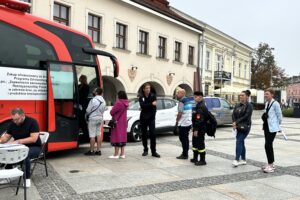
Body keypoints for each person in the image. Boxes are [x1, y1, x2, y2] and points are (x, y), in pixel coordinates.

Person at [0, 108, 41, 187]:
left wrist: (18, 141)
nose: (15, 121)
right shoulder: (13, 124)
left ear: (22, 116)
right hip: (19, 147)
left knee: (24, 154)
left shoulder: (32, 122)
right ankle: (9, 176)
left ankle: (27, 178)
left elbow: (34, 139)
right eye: (13, 119)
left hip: (34, 147)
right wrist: (1, 140)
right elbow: (6, 137)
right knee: (7, 152)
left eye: (16, 119)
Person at [261, 88, 282, 173]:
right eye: (265, 94)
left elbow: (279, 116)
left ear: (272, 94)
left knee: (268, 145)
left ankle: (271, 165)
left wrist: (278, 126)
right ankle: (270, 164)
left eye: (267, 94)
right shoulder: (267, 103)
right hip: (266, 126)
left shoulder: (275, 103)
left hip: (272, 128)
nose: (265, 95)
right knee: (268, 145)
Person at [232, 90, 253, 167]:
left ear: (247, 96)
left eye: (242, 95)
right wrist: (234, 122)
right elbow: (233, 114)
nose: (241, 96)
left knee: (239, 141)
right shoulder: (237, 105)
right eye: (240, 95)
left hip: (245, 126)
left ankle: (237, 159)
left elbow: (246, 116)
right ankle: (243, 159)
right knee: (241, 142)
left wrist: (236, 122)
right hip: (237, 126)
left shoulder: (249, 106)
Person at [139, 83, 160, 158]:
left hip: (151, 118)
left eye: (149, 88)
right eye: (146, 88)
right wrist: (151, 104)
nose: (148, 89)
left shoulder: (153, 96)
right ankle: (145, 150)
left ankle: (154, 151)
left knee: (153, 134)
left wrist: (146, 106)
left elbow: (154, 108)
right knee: (144, 135)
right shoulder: (141, 97)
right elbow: (142, 106)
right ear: (143, 89)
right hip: (143, 118)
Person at [84, 87, 106, 156]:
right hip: (100, 118)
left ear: (96, 92)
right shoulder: (103, 101)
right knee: (98, 134)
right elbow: (103, 110)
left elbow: (88, 110)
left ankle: (91, 150)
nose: (93, 91)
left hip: (93, 119)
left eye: (94, 91)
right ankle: (98, 150)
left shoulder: (93, 100)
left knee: (92, 135)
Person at [109, 91, 129, 159]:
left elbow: (112, 112)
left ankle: (116, 154)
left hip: (117, 122)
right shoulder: (126, 103)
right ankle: (122, 154)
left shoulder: (119, 103)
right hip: (123, 122)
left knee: (116, 137)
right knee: (122, 137)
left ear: (119, 95)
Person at [191, 91, 209, 165]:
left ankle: (202, 160)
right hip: (197, 128)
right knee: (195, 144)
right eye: (194, 96)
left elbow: (199, 120)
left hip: (200, 129)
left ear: (200, 97)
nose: (195, 98)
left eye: (196, 96)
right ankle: (195, 158)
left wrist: (196, 130)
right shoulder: (198, 105)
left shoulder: (201, 106)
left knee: (200, 144)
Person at [176, 88, 193, 159]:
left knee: (183, 139)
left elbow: (180, 113)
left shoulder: (181, 101)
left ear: (182, 93)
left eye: (178, 93)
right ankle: (185, 153)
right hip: (188, 122)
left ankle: (185, 154)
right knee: (185, 139)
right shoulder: (188, 100)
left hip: (183, 123)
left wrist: (177, 120)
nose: (176, 94)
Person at [78, 75, 90, 141]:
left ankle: (86, 135)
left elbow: (84, 95)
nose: (79, 79)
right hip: (78, 103)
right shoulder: (79, 85)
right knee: (80, 120)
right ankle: (84, 134)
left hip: (83, 104)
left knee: (82, 119)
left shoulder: (86, 86)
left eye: (80, 78)